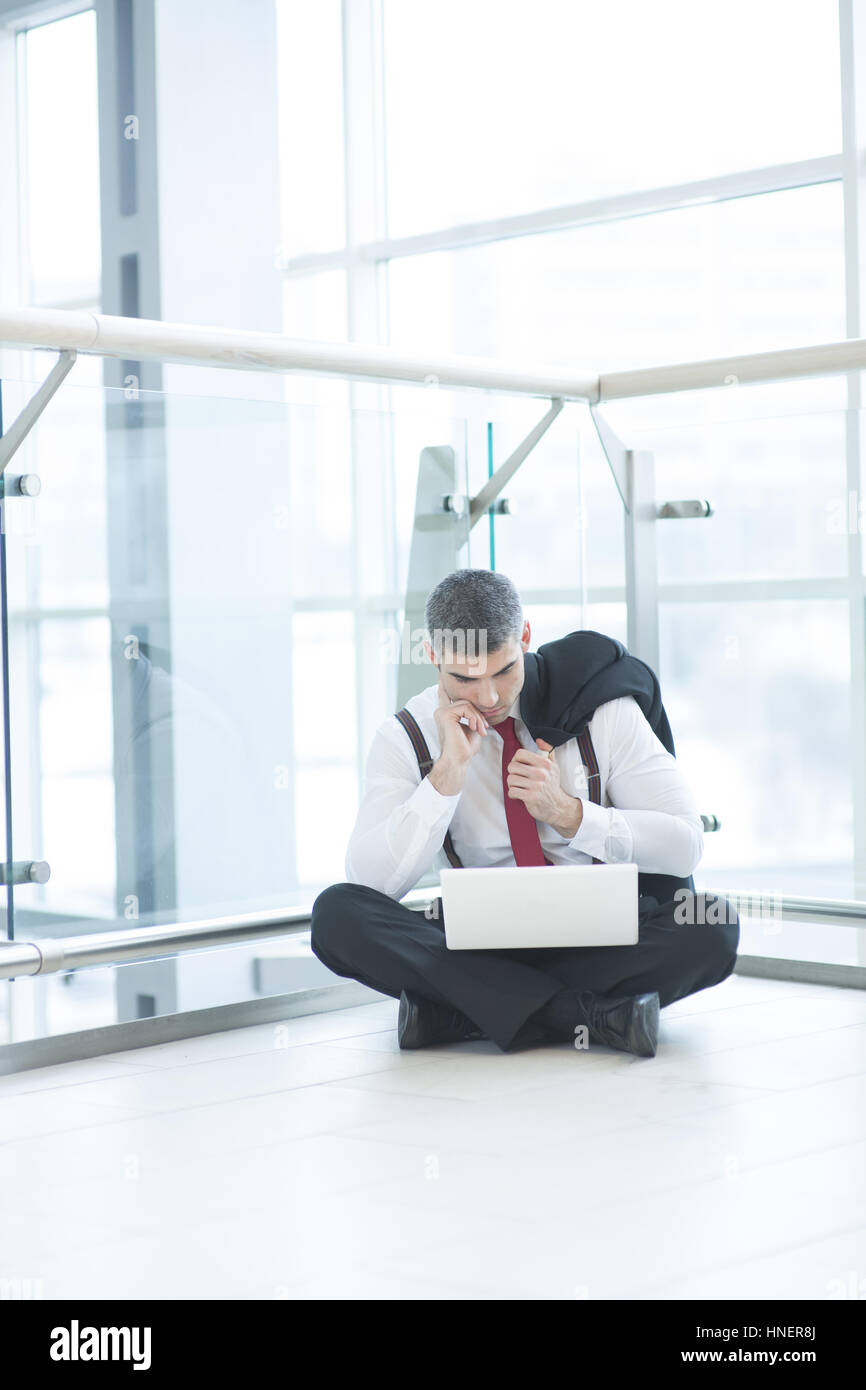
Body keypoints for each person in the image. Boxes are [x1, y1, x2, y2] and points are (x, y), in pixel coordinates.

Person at [310, 569, 739, 1057]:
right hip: (477, 945)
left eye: (504, 670)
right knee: (336, 915)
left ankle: (465, 1010)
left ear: (526, 639)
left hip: (597, 939)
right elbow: (371, 886)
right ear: (432, 656)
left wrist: (570, 814)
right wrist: (445, 777)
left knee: (711, 924)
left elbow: (686, 846)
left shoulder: (601, 709)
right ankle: (590, 1015)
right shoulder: (405, 738)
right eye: (464, 679)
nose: (490, 698)